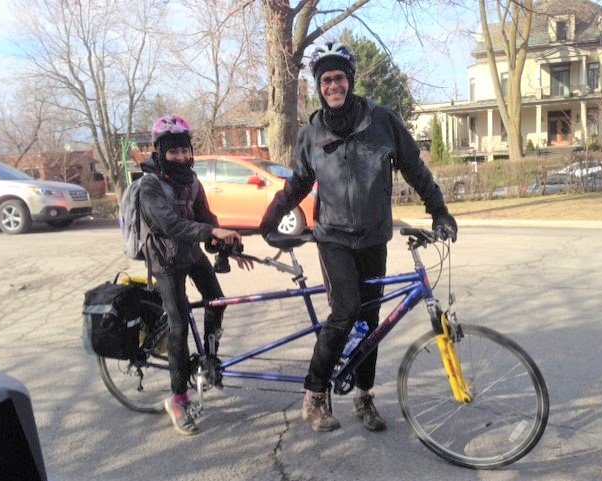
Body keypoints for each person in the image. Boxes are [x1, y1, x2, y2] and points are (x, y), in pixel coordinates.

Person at [260, 42, 457, 433]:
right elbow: (298, 182)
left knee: (370, 320)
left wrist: (439, 210)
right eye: (326, 80)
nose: (333, 85)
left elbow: (414, 168)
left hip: (373, 237)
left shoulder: (382, 121)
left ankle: (363, 397)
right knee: (346, 310)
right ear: (319, 86)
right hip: (333, 237)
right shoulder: (311, 133)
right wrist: (271, 218)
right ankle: (315, 393)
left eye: (339, 78)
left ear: (350, 80)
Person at [138, 114, 253, 436]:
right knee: (178, 325)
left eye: (185, 151)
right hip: (165, 260)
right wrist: (210, 230)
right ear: (160, 152)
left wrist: (227, 243)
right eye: (173, 152)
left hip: (190, 253)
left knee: (217, 302)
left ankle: (209, 361)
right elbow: (169, 225)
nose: (181, 157)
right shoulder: (149, 184)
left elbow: (206, 217)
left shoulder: (192, 181)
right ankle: (177, 398)